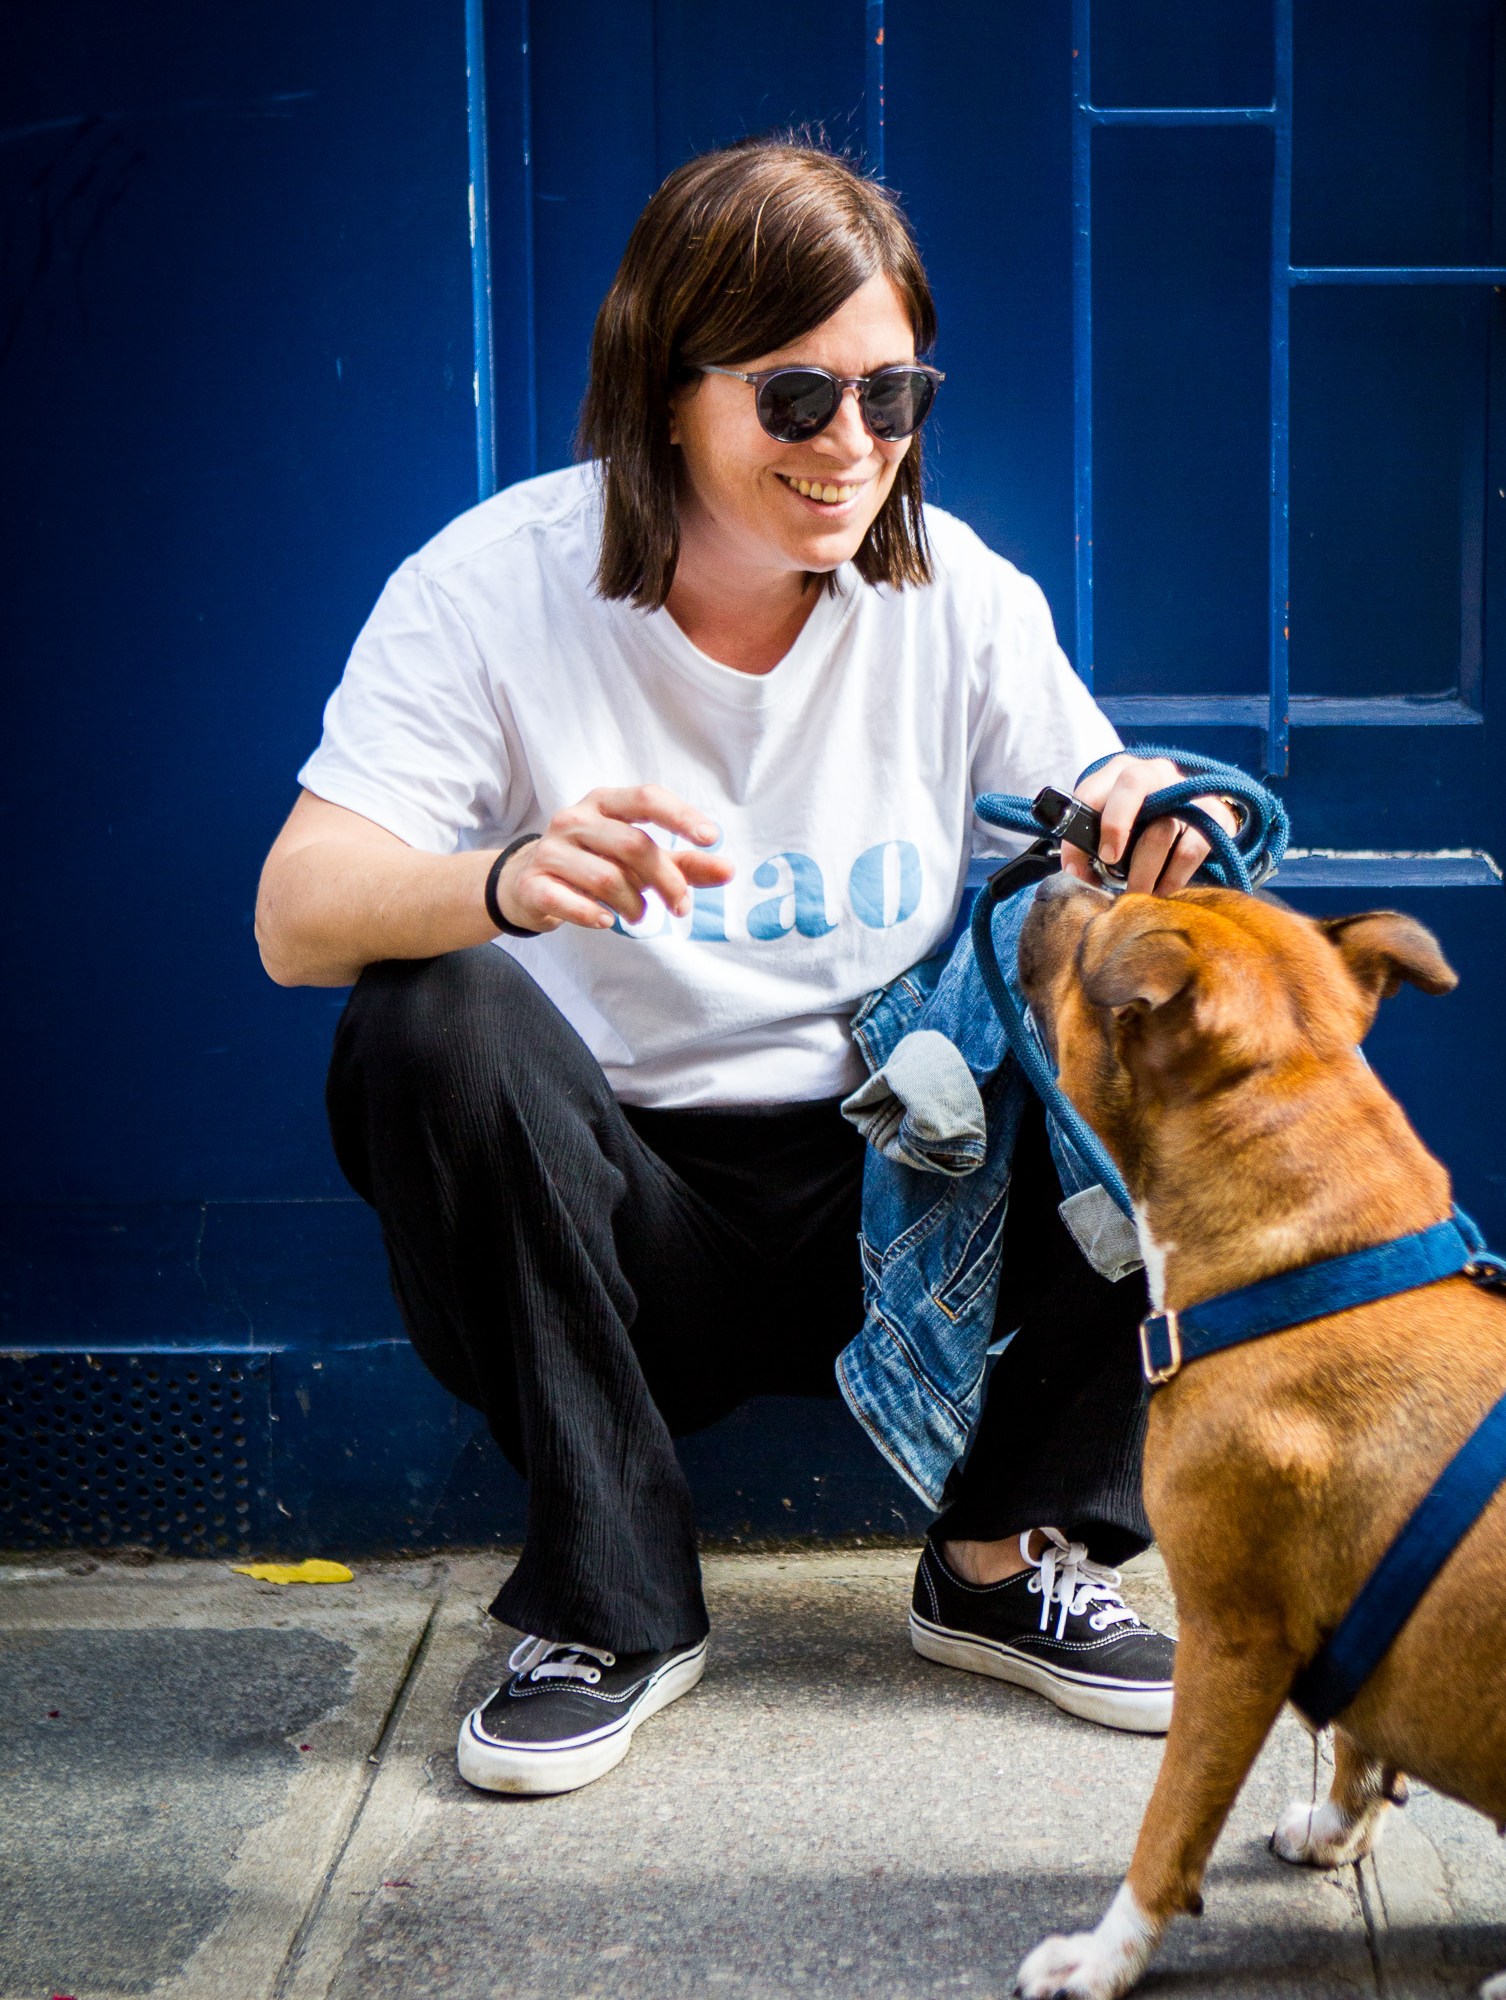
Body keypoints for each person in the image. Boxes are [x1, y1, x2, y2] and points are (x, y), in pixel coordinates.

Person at [255, 138, 1220, 1798]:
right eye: (796, 399)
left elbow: (1088, 823)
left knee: (1131, 977)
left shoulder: (951, 591)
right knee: (433, 1009)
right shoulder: (493, 591)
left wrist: (1138, 817)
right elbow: (296, 914)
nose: (854, 448)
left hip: (911, 1197)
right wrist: (496, 880)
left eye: (893, 395)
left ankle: (1003, 1557)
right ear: (668, 390)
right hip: (622, 1213)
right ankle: (616, 1608)